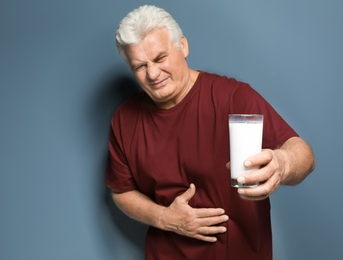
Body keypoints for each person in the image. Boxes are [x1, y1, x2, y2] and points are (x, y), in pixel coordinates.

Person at [105, 5, 315, 260]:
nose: (152, 73)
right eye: (140, 66)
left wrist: (282, 164)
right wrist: (165, 218)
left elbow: (302, 152)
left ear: (182, 46)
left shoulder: (233, 97)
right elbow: (121, 192)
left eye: (160, 58)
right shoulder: (124, 119)